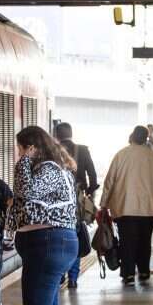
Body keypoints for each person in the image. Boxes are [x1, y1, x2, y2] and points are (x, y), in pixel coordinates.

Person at [5, 126, 79, 305]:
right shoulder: (55, 168)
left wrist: (24, 160)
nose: (19, 153)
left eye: (22, 148)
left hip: (49, 243)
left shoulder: (48, 168)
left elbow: (28, 192)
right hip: (49, 244)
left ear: (32, 147)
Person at [100, 125, 153, 284]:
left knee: (127, 241)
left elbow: (109, 181)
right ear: (146, 139)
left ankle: (128, 274)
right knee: (144, 241)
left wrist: (104, 203)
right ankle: (144, 271)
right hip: (147, 208)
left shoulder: (121, 155)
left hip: (124, 207)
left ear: (132, 136)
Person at [54, 122, 97, 289]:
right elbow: (93, 176)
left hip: (57, 204)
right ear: (71, 133)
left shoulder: (52, 151)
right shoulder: (83, 150)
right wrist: (88, 195)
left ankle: (60, 275)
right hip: (77, 203)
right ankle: (73, 277)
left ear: (56, 136)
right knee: (76, 238)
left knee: (59, 238)